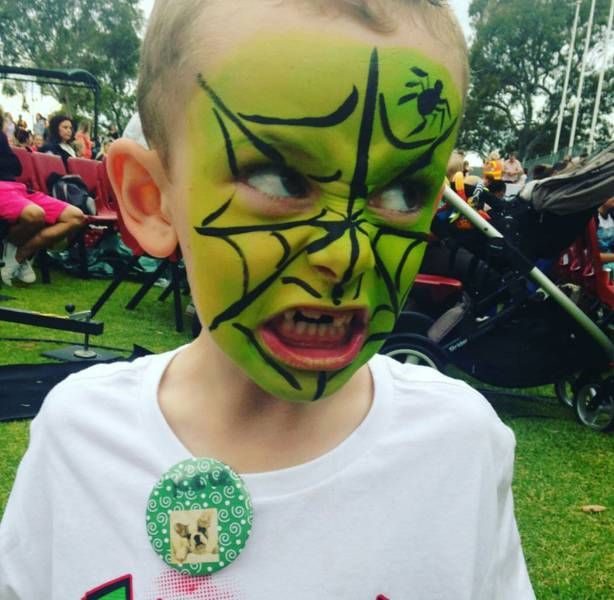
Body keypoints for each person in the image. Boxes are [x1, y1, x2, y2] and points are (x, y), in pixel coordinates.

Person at [0, 1, 535, 598]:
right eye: (281, 179)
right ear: (151, 198)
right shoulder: (79, 437)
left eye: (402, 191)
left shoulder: (459, 449)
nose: (347, 256)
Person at [0, 110, 85, 285]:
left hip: (18, 188)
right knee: (35, 214)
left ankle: (19, 255)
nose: (69, 131)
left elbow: (16, 167)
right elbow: (12, 164)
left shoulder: (1, 137)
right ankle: (14, 251)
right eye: (65, 127)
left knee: (76, 217)